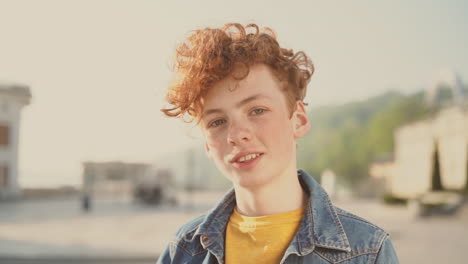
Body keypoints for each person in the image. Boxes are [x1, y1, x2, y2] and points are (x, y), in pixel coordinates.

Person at [157, 23, 399, 264]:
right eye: (217, 121)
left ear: (299, 120)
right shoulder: (184, 249)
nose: (237, 134)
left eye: (257, 110)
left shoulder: (367, 251)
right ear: (208, 146)